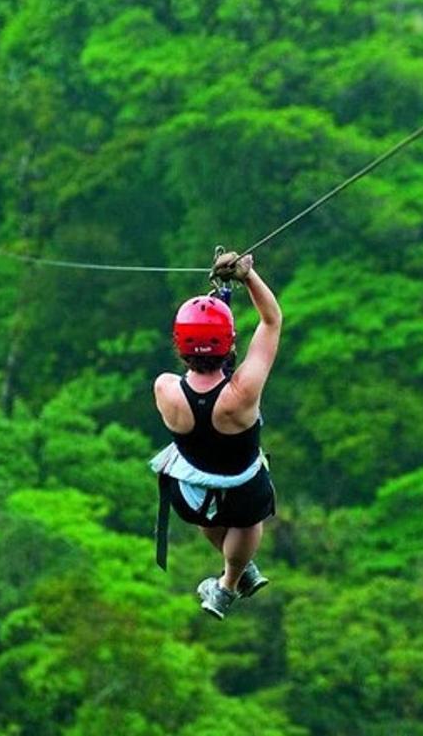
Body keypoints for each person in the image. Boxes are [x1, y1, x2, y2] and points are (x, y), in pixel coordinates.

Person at [151, 252, 282, 619]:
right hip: (243, 487)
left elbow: (199, 371)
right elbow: (271, 322)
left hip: (192, 492)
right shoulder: (242, 395)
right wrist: (248, 277)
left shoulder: (166, 389)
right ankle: (227, 585)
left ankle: (237, 573)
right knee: (244, 518)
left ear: (180, 345)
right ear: (231, 343)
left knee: (211, 515)